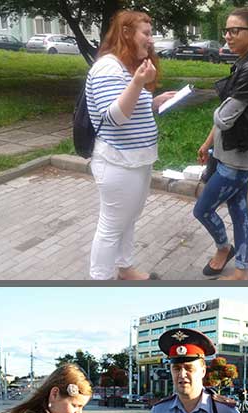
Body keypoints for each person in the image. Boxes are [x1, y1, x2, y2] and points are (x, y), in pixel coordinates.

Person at [85, 9, 178, 281]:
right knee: (111, 226)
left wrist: (153, 101)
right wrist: (139, 82)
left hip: (138, 159)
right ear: (126, 33)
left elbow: (129, 105)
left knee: (129, 218)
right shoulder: (107, 67)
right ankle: (100, 279)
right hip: (117, 162)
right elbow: (114, 118)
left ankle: (125, 269)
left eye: (151, 34)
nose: (151, 40)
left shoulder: (126, 67)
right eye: (146, 33)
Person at [195, 7, 248, 280]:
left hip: (236, 161)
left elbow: (225, 117)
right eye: (226, 30)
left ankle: (224, 249)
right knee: (239, 211)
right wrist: (208, 144)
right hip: (227, 153)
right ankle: (241, 268)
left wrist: (215, 114)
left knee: (203, 209)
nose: (228, 36)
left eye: (234, 31)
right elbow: (227, 114)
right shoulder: (246, 61)